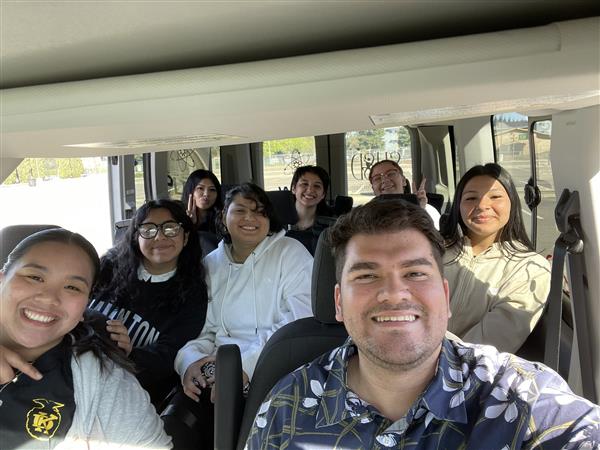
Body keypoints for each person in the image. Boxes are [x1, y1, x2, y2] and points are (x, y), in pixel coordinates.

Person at [244, 198, 599, 449]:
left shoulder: (517, 396)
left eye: (414, 273)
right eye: (367, 276)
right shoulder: (287, 405)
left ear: (444, 296)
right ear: (338, 303)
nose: (394, 293)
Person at [0, 228, 171, 449]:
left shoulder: (106, 382)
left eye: (72, 287)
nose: (50, 298)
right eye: (34, 277)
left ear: (84, 307)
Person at [173, 182, 313, 446]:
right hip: (218, 369)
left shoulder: (291, 253)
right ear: (224, 215)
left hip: (274, 368)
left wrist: (243, 367)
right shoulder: (210, 265)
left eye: (259, 211)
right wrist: (190, 362)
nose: (250, 218)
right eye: (240, 210)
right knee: (177, 425)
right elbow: (201, 330)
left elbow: (297, 324)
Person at [90, 199, 208, 407]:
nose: (160, 236)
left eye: (171, 228)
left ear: (186, 236)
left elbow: (170, 353)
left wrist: (129, 354)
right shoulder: (108, 266)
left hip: (130, 393)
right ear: (136, 237)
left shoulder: (193, 294)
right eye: (149, 229)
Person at [441, 163, 551, 353]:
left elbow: (488, 346)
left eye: (495, 196)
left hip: (465, 375)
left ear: (512, 203)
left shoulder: (529, 268)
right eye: (471, 198)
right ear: (458, 205)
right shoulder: (434, 251)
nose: (482, 205)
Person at [369, 159, 441, 228]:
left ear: (404, 181)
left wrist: (419, 209)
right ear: (373, 188)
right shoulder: (366, 216)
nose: (385, 180)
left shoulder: (430, 211)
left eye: (391, 174)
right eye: (377, 178)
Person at [287, 165, 334, 255]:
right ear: (293, 188)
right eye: (304, 184)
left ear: (323, 194)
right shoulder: (276, 225)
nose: (310, 190)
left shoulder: (331, 228)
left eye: (317, 186)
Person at [181, 169, 223, 234]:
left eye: (212, 189)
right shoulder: (178, 215)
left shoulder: (222, 218)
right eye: (200, 188)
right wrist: (190, 224)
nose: (206, 194)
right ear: (190, 190)